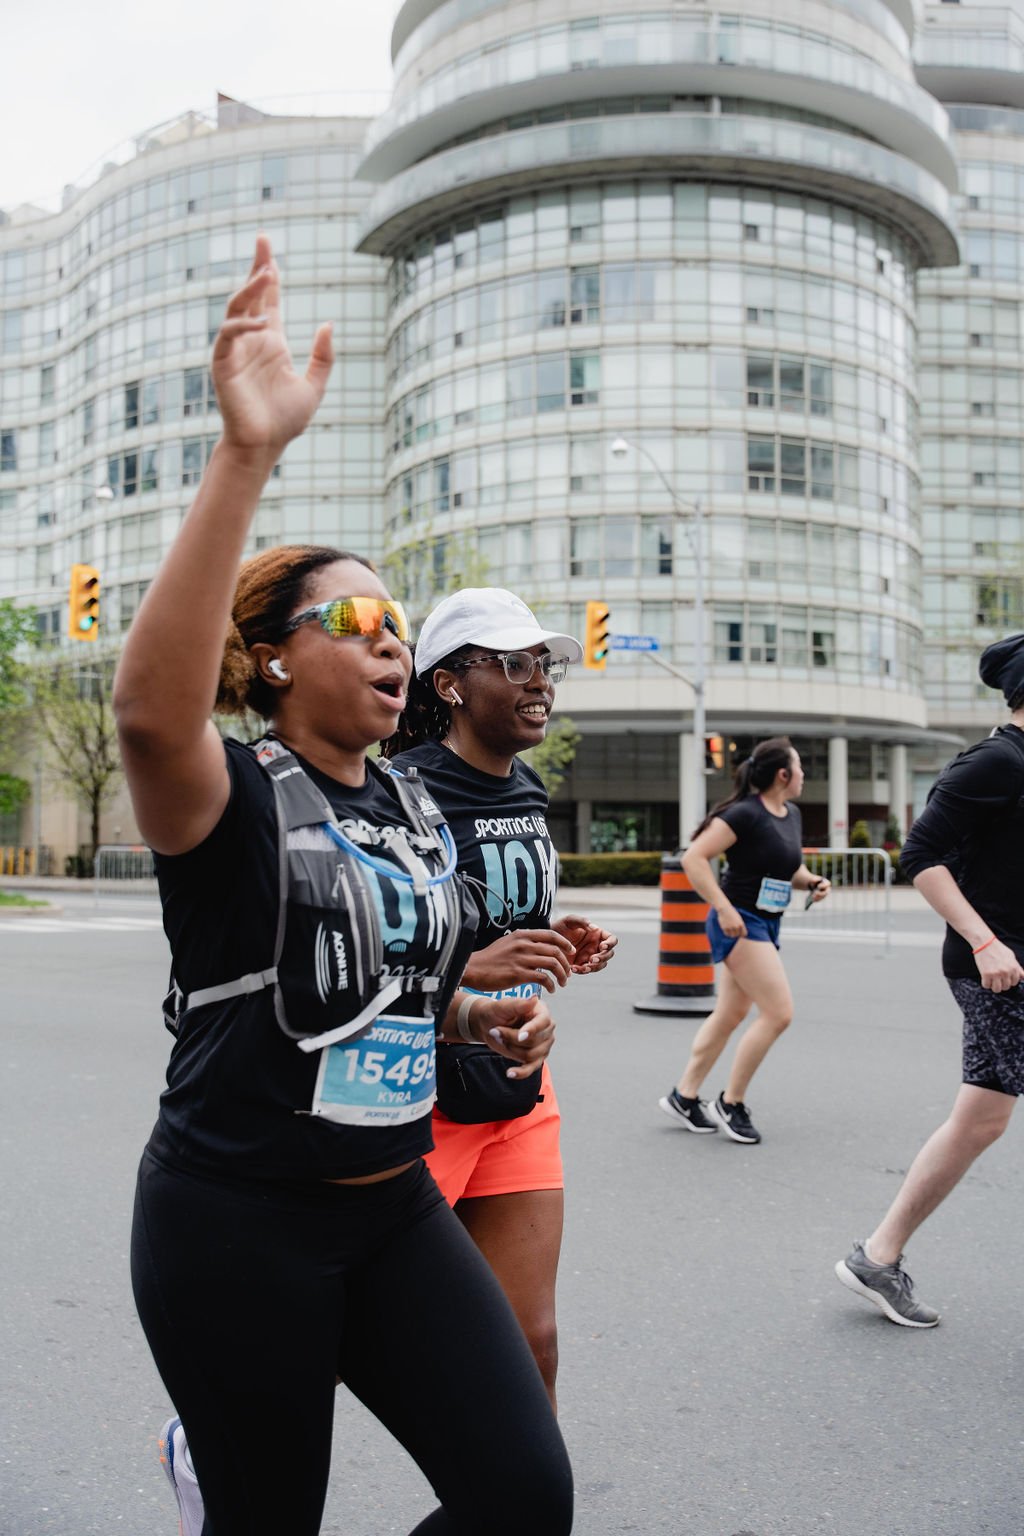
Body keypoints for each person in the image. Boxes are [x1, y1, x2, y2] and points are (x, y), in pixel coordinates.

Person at [116, 236, 573, 1536]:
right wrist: (245, 453)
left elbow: (391, 994)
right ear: (271, 666)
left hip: (394, 1211)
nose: (391, 642)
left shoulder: (415, 801)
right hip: (234, 1226)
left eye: (399, 624)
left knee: (523, 1497)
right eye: (355, 624)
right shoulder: (230, 798)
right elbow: (152, 718)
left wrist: (477, 1017)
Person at [384, 587, 617, 1409]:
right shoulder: (398, 794)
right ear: (450, 684)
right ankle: (212, 1448)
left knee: (532, 1337)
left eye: (545, 666)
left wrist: (559, 936)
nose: (540, 683)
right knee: (358, 1332)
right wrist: (470, 970)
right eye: (514, 665)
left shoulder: (525, 789)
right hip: (417, 1101)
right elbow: (368, 952)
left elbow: (505, 920)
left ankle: (522, 1505)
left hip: (519, 1094)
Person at [835, 635, 1024, 1327]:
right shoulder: (995, 760)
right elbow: (920, 854)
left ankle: (877, 1258)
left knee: (980, 1120)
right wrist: (984, 941)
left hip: (1006, 962)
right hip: (998, 968)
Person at [657, 736, 830, 1144]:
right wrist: (724, 907)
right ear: (783, 775)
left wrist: (812, 881)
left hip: (766, 922)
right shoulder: (744, 814)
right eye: (800, 767)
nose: (804, 774)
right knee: (779, 1013)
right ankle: (730, 1103)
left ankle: (684, 1096)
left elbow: (786, 866)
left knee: (731, 1014)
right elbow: (694, 858)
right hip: (740, 922)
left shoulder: (790, 814)